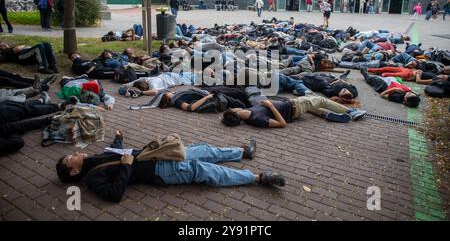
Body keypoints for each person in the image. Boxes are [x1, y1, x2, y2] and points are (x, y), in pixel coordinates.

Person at [55, 132, 286, 203]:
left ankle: (242, 152)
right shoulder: (93, 178)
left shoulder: (94, 159)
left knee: (202, 148)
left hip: (157, 153)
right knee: (203, 170)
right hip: (160, 172)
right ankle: (258, 178)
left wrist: (118, 140)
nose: (74, 153)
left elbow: (114, 153)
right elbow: (114, 195)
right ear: (74, 171)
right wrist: (126, 167)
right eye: (70, 159)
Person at [222, 98, 366, 128]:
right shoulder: (256, 119)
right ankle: (351, 111)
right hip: (294, 108)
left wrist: (270, 103)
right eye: (234, 109)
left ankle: (325, 115)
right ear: (236, 113)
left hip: (290, 104)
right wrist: (271, 106)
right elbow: (282, 124)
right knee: (321, 100)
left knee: (311, 104)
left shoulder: (249, 113)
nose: (235, 107)